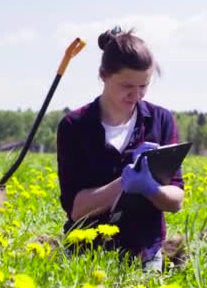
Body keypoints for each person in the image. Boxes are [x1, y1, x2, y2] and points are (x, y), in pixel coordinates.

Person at [56, 27, 185, 271]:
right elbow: (77, 209)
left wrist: (151, 188)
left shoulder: (160, 120)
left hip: (144, 249)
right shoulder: (75, 126)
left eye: (143, 86)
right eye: (127, 85)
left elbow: (176, 200)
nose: (136, 95)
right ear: (103, 75)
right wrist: (123, 182)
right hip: (87, 250)